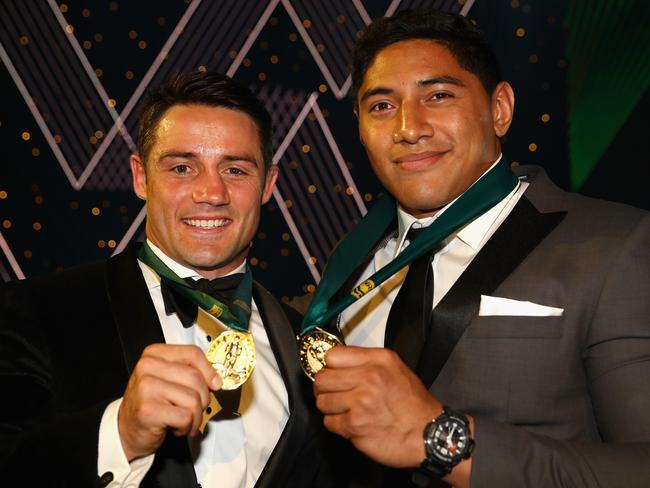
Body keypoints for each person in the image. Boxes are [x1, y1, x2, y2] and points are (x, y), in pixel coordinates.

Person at [308, 9, 650, 488]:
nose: (409, 127)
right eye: (382, 106)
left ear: (500, 109)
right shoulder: (350, 261)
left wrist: (442, 439)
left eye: (438, 95)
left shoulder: (617, 244)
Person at [0, 72, 330, 487]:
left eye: (235, 170)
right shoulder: (39, 312)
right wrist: (119, 435)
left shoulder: (309, 344)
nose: (211, 192)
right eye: (181, 167)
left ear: (268, 184)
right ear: (140, 177)